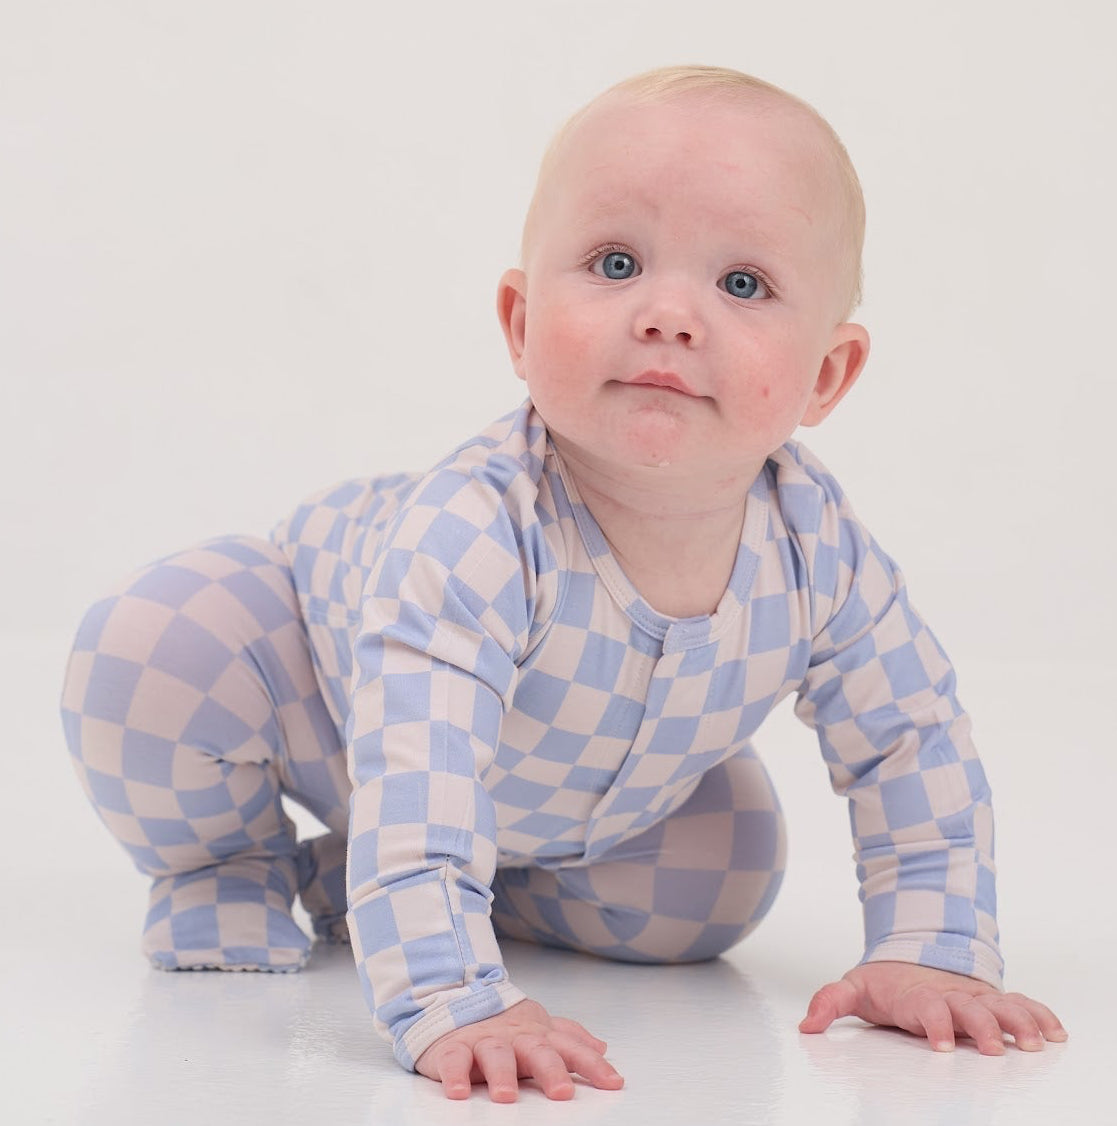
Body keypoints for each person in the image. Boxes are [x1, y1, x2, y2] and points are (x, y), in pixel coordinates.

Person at [60, 64, 1067, 1102]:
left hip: (565, 800)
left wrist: (934, 945)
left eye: (742, 284)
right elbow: (424, 760)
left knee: (723, 873)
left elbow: (912, 737)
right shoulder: (483, 528)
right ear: (520, 321)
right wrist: (453, 997)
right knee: (155, 648)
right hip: (325, 699)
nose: (669, 314)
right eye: (616, 261)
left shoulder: (820, 548)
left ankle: (372, 882)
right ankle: (231, 863)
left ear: (826, 374)